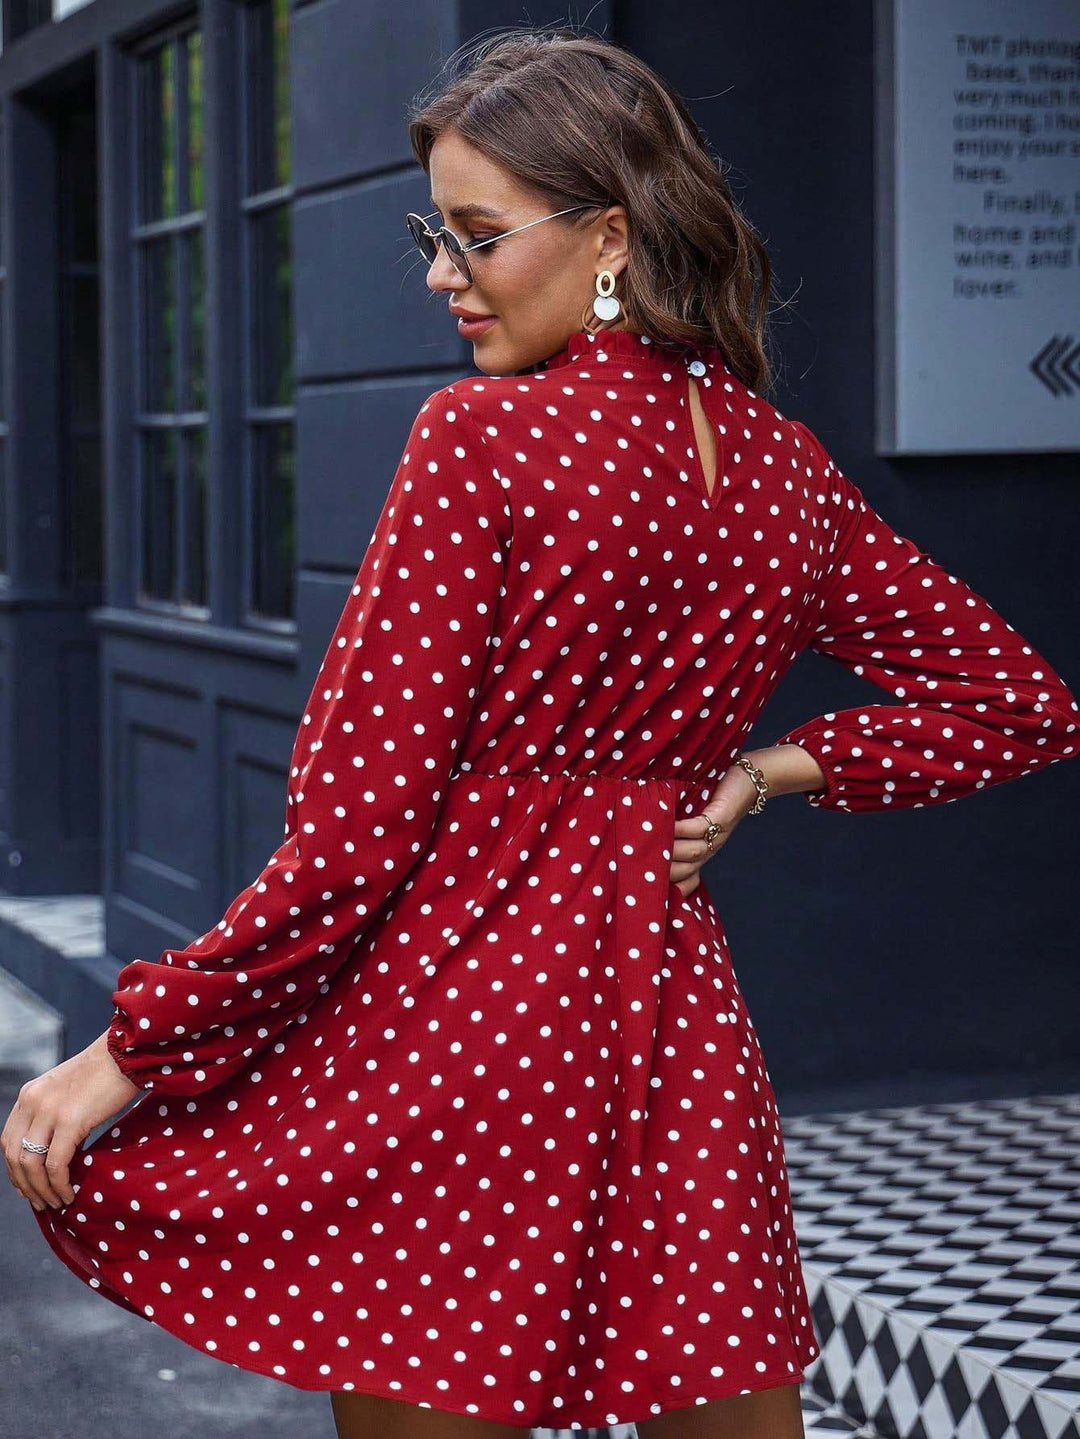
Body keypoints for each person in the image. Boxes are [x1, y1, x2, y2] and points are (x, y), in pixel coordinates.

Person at [4, 23, 1077, 1439]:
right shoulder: (784, 473)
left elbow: (354, 836)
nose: (446, 276)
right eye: (431, 237)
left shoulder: (481, 442)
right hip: (667, 1024)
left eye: (477, 236)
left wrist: (130, 1051)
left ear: (610, 236)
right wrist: (764, 772)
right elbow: (1023, 703)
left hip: (458, 1020)